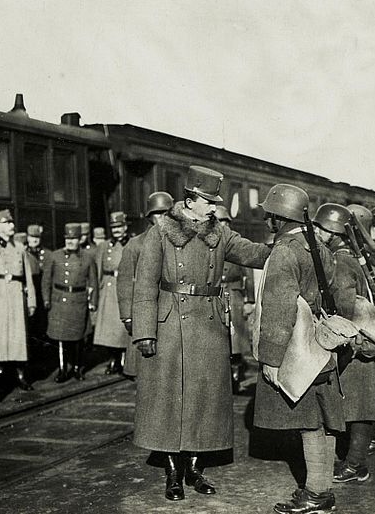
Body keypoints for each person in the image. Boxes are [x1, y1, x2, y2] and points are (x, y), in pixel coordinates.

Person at [132, 165, 271, 501]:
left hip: (208, 324)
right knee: (167, 400)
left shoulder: (220, 234)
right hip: (169, 325)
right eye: (208, 201)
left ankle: (194, 468)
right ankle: (172, 473)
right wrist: (144, 333)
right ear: (190, 199)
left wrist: (283, 244)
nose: (213, 207)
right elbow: (145, 285)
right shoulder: (162, 232)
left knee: (205, 399)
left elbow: (253, 254)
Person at [252, 184, 343, 514]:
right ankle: (323, 490)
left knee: (309, 422)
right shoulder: (318, 247)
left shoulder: (285, 251)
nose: (266, 221)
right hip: (321, 348)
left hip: (298, 351)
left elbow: (278, 308)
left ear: (279, 217)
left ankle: (317, 494)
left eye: (268, 215)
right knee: (321, 418)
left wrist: (270, 359)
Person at [311, 204, 375, 485]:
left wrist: (344, 336)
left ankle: (355, 465)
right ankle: (355, 461)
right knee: (362, 403)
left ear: (336, 231)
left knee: (360, 407)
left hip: (357, 342)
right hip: (370, 338)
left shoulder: (342, 261)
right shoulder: (362, 258)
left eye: (323, 227)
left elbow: (347, 304)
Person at [0, 209, 37, 391]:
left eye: (11, 222)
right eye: (7, 223)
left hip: (17, 298)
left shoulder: (19, 248)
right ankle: (0, 375)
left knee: (18, 338)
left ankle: (20, 374)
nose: (12, 226)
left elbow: (28, 277)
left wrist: (31, 301)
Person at [116, 192, 174, 379]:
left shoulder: (178, 242)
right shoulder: (135, 245)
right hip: (144, 313)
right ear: (149, 216)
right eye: (157, 213)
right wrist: (127, 316)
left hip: (171, 313)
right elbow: (125, 282)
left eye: (166, 213)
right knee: (144, 371)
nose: (162, 217)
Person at [41, 223, 98, 382]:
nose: (70, 242)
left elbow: (93, 281)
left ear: (80, 239)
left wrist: (93, 302)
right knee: (60, 339)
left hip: (78, 303)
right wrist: (46, 299)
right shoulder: (54, 256)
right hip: (59, 302)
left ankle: (77, 368)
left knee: (78, 338)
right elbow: (46, 280)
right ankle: (62, 369)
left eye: (73, 238)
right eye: (67, 238)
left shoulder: (87, 258)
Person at [214, 205, 256, 393]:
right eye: (218, 221)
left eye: (224, 221)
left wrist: (249, 300)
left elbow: (247, 272)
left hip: (234, 293)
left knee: (236, 337)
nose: (222, 225)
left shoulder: (236, 242)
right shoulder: (209, 242)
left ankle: (236, 374)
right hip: (216, 293)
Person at [93, 211, 131, 374]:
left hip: (126, 287)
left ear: (125, 227)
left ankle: (124, 360)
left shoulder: (132, 243)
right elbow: (98, 270)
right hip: (108, 289)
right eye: (113, 227)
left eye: (119, 227)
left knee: (123, 327)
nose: (116, 230)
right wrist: (99, 291)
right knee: (109, 330)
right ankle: (113, 359)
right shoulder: (104, 247)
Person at [26, 224, 51, 370]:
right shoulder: (23, 253)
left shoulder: (47, 255)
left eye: (36, 237)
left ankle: (42, 357)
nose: (34, 240)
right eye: (31, 237)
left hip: (42, 296)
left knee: (42, 326)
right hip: (30, 296)